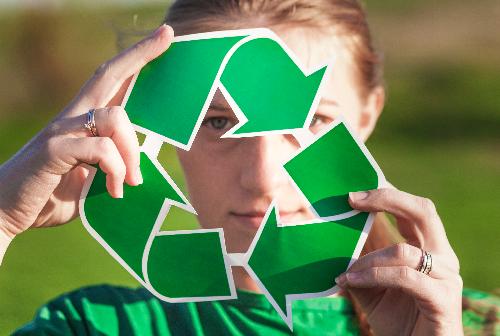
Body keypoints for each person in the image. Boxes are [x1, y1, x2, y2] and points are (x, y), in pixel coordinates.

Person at [1, 0, 497, 335]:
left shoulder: (469, 322)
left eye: (313, 120)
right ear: (147, 124)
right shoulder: (99, 326)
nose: (262, 178)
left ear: (367, 115)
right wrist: (3, 219)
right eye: (216, 122)